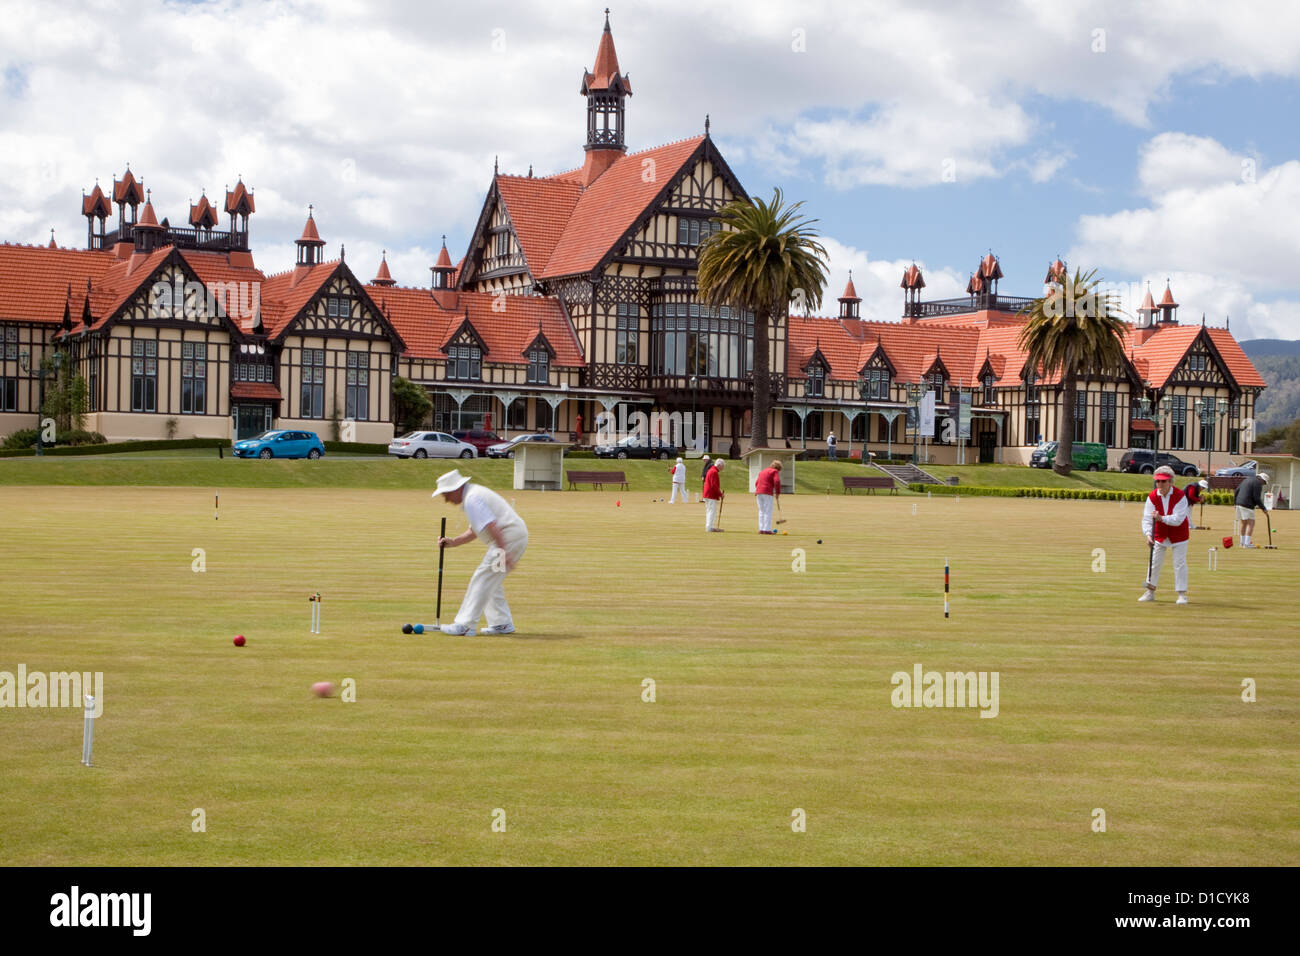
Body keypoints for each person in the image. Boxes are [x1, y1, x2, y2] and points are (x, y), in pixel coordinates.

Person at [431, 469, 528, 635]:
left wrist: (503, 551)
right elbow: (477, 529)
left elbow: (492, 526)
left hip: (508, 538)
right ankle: (501, 623)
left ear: (455, 489)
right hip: (512, 537)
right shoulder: (473, 495)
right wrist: (454, 542)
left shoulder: (472, 499)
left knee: (482, 578)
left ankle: (465, 625)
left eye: (446, 494)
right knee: (491, 581)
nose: (446, 499)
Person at [1140, 465, 1190, 605]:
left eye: (1163, 481)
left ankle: (1181, 594)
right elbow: (1146, 519)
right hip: (1159, 534)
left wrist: (1162, 518)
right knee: (1154, 563)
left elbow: (1178, 519)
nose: (1160, 484)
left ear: (1171, 482)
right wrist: (1148, 534)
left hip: (1179, 534)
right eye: (1158, 481)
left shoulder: (1180, 496)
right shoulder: (1152, 497)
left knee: (1179, 564)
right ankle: (1150, 591)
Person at [1234, 471, 1270, 548]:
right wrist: (1263, 508)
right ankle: (1247, 544)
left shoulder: (1247, 479)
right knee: (1251, 523)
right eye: (1264, 483)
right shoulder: (1258, 484)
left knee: (1244, 524)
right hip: (1247, 505)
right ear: (1262, 480)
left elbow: (1236, 490)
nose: (1263, 484)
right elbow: (1256, 498)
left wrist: (1235, 503)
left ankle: (1242, 543)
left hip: (1239, 503)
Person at [755, 459, 782, 533]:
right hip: (767, 492)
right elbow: (777, 481)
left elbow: (756, 482)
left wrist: (759, 490)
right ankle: (767, 530)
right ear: (777, 468)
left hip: (758, 492)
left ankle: (761, 529)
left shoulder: (762, 471)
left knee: (761, 511)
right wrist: (778, 493)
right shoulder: (774, 471)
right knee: (768, 511)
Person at [703, 458, 725, 531]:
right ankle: (709, 527)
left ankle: (709, 526)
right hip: (711, 494)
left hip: (707, 494)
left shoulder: (711, 470)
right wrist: (720, 494)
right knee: (712, 511)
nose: (723, 468)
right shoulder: (714, 472)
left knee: (709, 510)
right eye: (722, 466)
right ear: (719, 465)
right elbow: (714, 485)